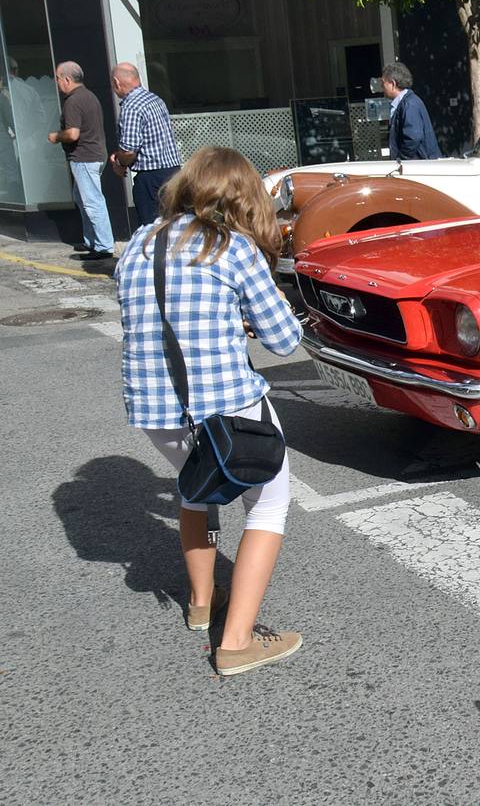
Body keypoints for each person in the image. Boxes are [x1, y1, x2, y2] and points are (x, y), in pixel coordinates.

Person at [114, 146, 305, 677]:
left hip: (154, 408)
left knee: (194, 487)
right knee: (268, 504)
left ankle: (202, 603)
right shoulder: (233, 248)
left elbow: (154, 316)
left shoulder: (138, 244)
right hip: (227, 407)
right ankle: (238, 642)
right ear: (242, 197)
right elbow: (284, 339)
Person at [47, 62, 114, 260]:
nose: (57, 83)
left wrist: (56, 136)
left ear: (67, 79)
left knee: (92, 202)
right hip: (95, 155)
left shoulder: (73, 101)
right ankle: (91, 241)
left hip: (84, 157)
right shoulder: (89, 96)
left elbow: (73, 134)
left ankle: (103, 247)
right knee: (82, 198)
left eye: (57, 79)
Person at [109, 62, 182, 226]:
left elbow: (129, 151)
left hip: (151, 177)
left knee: (151, 229)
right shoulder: (155, 99)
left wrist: (119, 163)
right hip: (173, 171)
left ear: (116, 82)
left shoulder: (131, 106)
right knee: (177, 224)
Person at [381, 61, 441, 160]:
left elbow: (413, 138)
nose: (382, 87)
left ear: (393, 84)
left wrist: (401, 160)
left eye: (383, 83)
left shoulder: (409, 104)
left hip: (418, 168)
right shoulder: (406, 103)